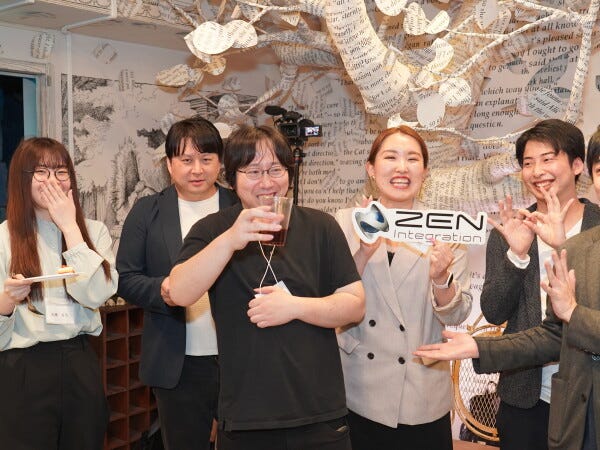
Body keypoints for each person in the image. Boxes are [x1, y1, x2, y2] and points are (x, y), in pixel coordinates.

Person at [168, 125, 365, 450]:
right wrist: (231, 240)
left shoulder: (321, 227)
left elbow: (355, 304)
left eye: (276, 169)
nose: (267, 181)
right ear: (232, 178)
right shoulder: (212, 230)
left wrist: (295, 307)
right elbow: (178, 292)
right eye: (253, 171)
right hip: (245, 417)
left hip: (318, 413)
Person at [334, 125, 472, 450]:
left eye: (412, 159)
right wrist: (363, 253)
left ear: (425, 172)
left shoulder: (446, 228)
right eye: (390, 157)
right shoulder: (344, 222)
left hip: (420, 390)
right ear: (371, 168)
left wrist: (441, 278)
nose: (401, 168)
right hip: (357, 386)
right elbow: (330, 298)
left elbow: (457, 313)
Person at [116, 117, 238, 450]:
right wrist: (165, 291)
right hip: (177, 363)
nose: (197, 169)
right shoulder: (148, 211)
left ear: (219, 162)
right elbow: (125, 277)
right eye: (186, 160)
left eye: (206, 159)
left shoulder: (239, 208)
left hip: (239, 358)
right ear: (170, 164)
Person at [479, 119, 600, 450]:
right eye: (528, 163)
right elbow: (494, 311)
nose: (537, 171)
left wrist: (563, 247)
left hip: (587, 397)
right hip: (525, 396)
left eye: (548, 159)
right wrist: (517, 257)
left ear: (577, 165)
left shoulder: (597, 227)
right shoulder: (511, 229)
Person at [0, 137, 118, 450]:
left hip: (79, 359)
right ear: (21, 179)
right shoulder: (4, 237)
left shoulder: (94, 231)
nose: (52, 181)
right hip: (23, 366)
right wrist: (8, 301)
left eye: (60, 172)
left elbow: (98, 293)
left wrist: (70, 227)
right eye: (41, 172)